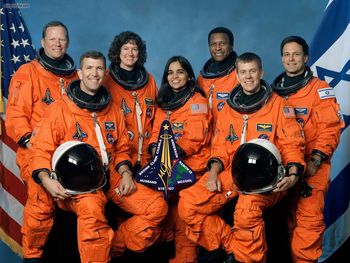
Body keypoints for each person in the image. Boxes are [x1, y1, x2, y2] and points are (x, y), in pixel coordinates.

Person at [23, 51, 168, 263]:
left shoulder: (114, 111)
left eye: (99, 68)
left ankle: (116, 245)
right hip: (79, 184)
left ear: (104, 72)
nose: (95, 73)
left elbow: (122, 148)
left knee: (157, 207)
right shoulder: (60, 109)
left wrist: (126, 172)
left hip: (109, 177)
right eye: (89, 68)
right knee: (92, 215)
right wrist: (47, 180)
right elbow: (41, 149)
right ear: (80, 73)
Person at [178, 52, 306, 263]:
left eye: (253, 71)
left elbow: (292, 144)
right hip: (233, 173)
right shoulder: (229, 108)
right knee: (188, 205)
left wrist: (292, 173)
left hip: (269, 178)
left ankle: (248, 259)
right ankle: (235, 248)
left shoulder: (279, 106)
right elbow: (219, 147)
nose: (248, 77)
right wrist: (213, 173)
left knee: (246, 210)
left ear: (261, 72)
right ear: (237, 75)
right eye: (244, 72)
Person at [271, 36, 343, 263]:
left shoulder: (320, 90)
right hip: (283, 169)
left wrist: (315, 160)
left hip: (312, 168)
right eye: (286, 54)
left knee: (308, 225)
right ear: (282, 58)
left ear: (305, 57)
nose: (291, 59)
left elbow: (330, 130)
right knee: (282, 225)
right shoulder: (274, 92)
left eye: (296, 54)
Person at [147, 56, 211, 262]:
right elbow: (155, 131)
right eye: (170, 72)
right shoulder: (163, 102)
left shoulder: (197, 101)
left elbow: (195, 137)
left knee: (184, 220)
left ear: (189, 75)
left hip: (191, 169)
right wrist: (156, 150)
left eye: (180, 72)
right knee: (164, 218)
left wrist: (169, 156)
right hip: (166, 168)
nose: (175, 76)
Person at [5, 20, 77, 184]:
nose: (57, 44)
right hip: (37, 153)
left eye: (62, 39)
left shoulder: (75, 78)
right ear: (43, 42)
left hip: (69, 153)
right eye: (52, 39)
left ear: (68, 42)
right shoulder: (28, 73)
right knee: (43, 205)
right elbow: (16, 116)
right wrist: (36, 147)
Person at [103, 31, 158, 173]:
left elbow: (157, 116)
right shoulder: (105, 81)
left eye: (134, 49)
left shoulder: (150, 81)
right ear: (118, 51)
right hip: (120, 161)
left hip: (148, 159)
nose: (130, 53)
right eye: (125, 48)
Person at [197, 26, 240, 125]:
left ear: (231, 46)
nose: (217, 48)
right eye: (213, 44)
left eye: (222, 43)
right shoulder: (202, 78)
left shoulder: (240, 75)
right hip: (207, 136)